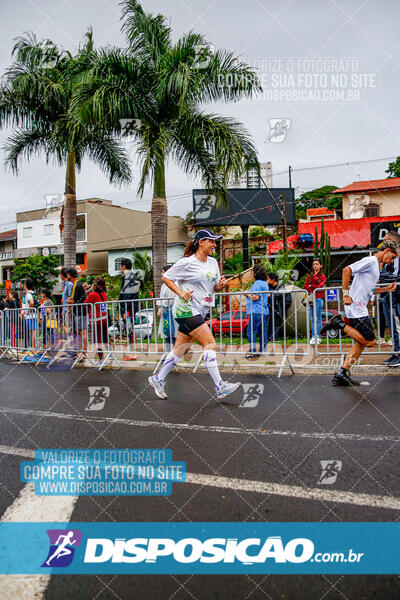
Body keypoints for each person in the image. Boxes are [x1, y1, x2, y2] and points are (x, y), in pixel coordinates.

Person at [148, 229, 241, 400]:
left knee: (180, 349)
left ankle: (158, 379)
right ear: (201, 242)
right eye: (211, 241)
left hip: (201, 309)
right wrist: (180, 293)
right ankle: (220, 386)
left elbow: (213, 287)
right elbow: (166, 277)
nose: (214, 244)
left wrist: (220, 286)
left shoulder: (213, 262)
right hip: (186, 309)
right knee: (210, 343)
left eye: (215, 241)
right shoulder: (187, 262)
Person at [321, 240, 400, 386]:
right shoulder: (370, 261)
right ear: (387, 250)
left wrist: (385, 289)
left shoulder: (375, 266)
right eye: (393, 257)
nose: (391, 261)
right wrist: (345, 294)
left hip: (359, 308)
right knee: (370, 341)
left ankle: (341, 373)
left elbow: (369, 290)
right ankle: (338, 323)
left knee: (360, 343)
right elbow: (346, 270)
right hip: (356, 308)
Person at [380, 232, 400, 367]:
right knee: (392, 325)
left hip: (397, 295)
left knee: (398, 325)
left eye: (386, 240)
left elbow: (396, 275)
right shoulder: (387, 260)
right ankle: (396, 352)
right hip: (388, 296)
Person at [245, 265, 269, 358]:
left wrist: (247, 294)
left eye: (251, 273)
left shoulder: (256, 284)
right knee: (262, 331)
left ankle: (252, 351)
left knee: (251, 331)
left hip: (256, 310)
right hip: (264, 310)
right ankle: (262, 350)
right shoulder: (264, 283)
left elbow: (255, 297)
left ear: (255, 273)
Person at [118, 258, 140, 361]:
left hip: (128, 307)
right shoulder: (133, 275)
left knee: (128, 331)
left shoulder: (127, 277)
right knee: (131, 330)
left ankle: (130, 354)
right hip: (132, 306)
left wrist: (123, 310)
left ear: (123, 266)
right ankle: (132, 353)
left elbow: (126, 294)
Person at [84, 277, 109, 361]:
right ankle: (110, 354)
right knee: (105, 338)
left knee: (98, 340)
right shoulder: (104, 294)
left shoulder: (92, 295)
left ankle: (101, 358)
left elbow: (85, 304)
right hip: (104, 319)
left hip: (96, 320)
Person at [304, 258, 327, 344]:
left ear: (320, 266)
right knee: (312, 318)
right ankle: (314, 336)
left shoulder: (322, 276)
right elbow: (305, 286)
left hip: (318, 298)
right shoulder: (310, 276)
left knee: (318, 318)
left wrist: (311, 286)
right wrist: (313, 286)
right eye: (314, 264)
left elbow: (320, 286)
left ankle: (318, 336)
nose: (315, 266)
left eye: (317, 264)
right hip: (311, 299)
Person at [66, 268, 88, 354]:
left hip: (80, 311)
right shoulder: (78, 284)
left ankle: (83, 352)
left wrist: (68, 301)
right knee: (82, 331)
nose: (67, 276)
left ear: (70, 275)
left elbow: (72, 300)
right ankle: (82, 351)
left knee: (81, 331)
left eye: (67, 274)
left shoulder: (76, 285)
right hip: (81, 310)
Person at [157, 265, 178, 352]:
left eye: (163, 271)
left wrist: (161, 305)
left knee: (173, 333)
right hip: (165, 312)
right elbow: (161, 298)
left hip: (172, 311)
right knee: (167, 332)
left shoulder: (174, 283)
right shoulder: (164, 285)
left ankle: (175, 353)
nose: (162, 273)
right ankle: (169, 353)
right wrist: (160, 308)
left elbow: (171, 299)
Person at [21, 278, 37, 350]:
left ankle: (33, 347)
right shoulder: (33, 293)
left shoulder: (28, 294)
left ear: (26, 285)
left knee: (32, 332)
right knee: (33, 331)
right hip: (34, 315)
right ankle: (33, 347)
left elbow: (31, 302)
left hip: (30, 316)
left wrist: (28, 310)